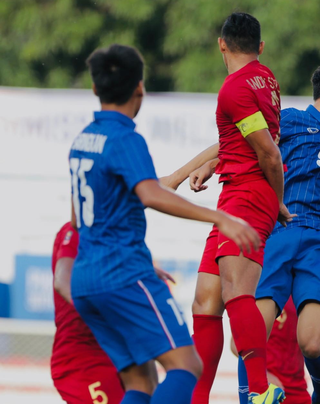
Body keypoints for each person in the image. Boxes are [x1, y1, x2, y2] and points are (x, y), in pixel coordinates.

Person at [69, 43, 260, 404]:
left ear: (95, 88)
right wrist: (221, 217)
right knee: (187, 365)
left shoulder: (83, 141)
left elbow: (77, 217)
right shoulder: (125, 138)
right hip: (121, 273)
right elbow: (151, 195)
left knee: (139, 382)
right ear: (140, 87)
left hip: (86, 278)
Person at [160, 12, 291, 404]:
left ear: (221, 44)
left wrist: (277, 200)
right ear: (260, 46)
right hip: (233, 195)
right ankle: (195, 399)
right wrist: (191, 170)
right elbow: (241, 138)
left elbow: (268, 153)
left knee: (236, 292)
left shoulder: (233, 88)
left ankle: (259, 390)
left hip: (248, 196)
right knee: (205, 299)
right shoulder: (265, 79)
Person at [244, 61, 320, 404]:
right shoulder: (288, 120)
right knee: (249, 338)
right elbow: (242, 143)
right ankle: (255, 393)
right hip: (280, 231)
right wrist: (206, 166)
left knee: (312, 343)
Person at [51, 222, 124, 404]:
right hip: (81, 357)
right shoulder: (76, 231)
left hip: (116, 352)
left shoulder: (112, 234)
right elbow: (61, 281)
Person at [232, 297, 320, 404]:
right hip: (267, 389)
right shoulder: (267, 287)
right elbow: (236, 342)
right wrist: (262, 374)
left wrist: (319, 339)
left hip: (297, 389)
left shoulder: (305, 292)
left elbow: (300, 337)